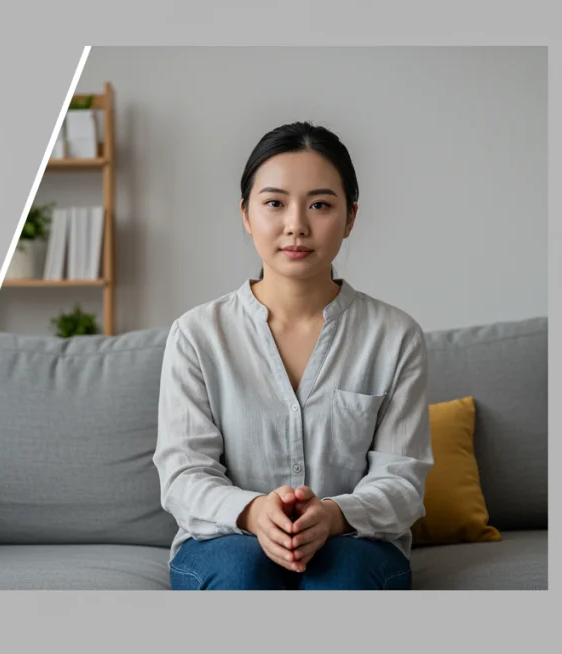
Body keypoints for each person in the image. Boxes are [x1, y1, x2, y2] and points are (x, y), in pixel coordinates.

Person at [154, 121, 433, 590]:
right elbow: (184, 474)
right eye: (274, 203)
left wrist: (334, 515)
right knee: (242, 571)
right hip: (225, 540)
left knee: (344, 575)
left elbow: (402, 481)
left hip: (355, 542)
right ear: (246, 214)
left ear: (350, 217)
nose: (296, 226)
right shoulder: (197, 336)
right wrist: (252, 511)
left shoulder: (395, 337)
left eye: (320, 205)